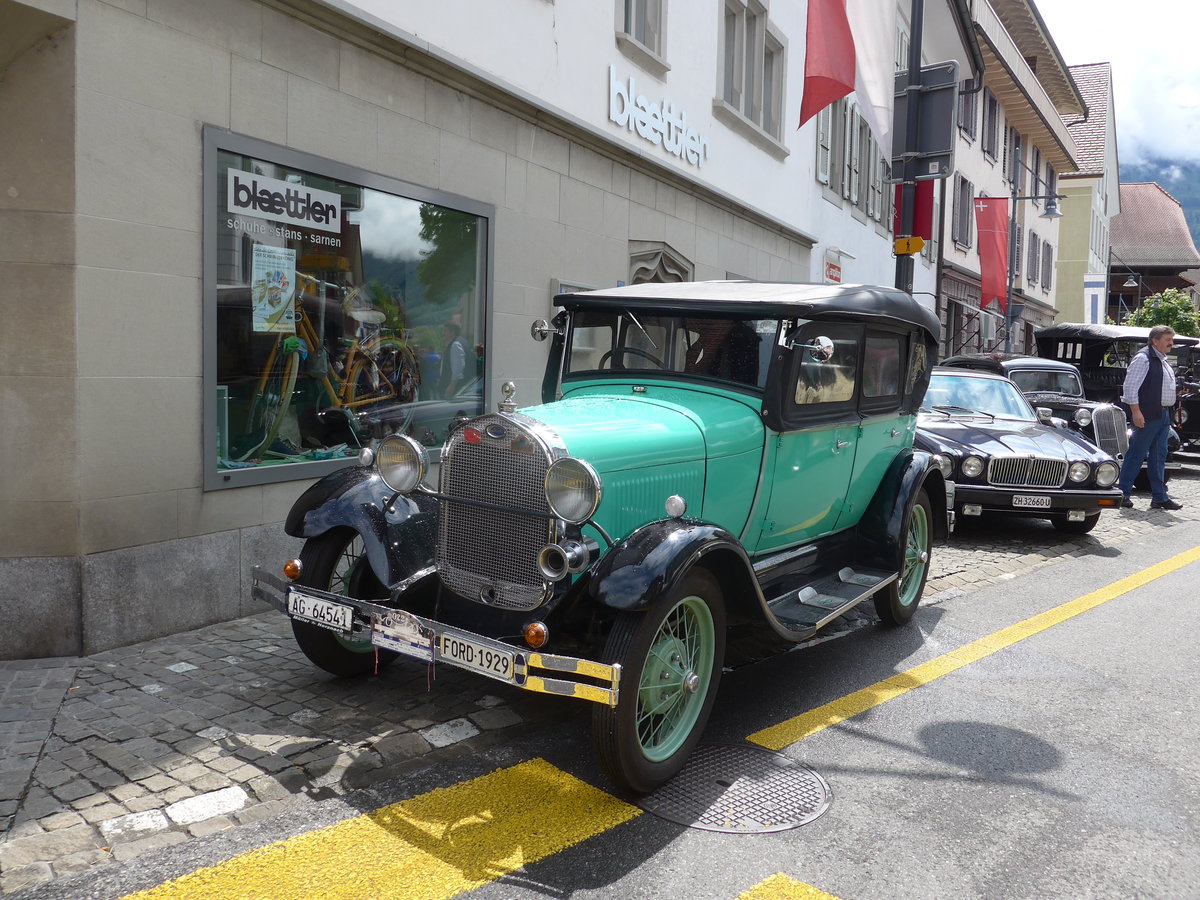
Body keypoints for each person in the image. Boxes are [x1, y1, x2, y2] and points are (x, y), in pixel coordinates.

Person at [1117, 324, 1183, 510]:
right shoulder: (1143, 358)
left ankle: (1159, 497)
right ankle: (1123, 493)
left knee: (1159, 456)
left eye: (1171, 339)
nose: (1171, 343)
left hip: (1163, 415)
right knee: (1137, 453)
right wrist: (1136, 412)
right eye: (1167, 340)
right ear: (1155, 341)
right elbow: (1130, 388)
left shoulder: (1162, 360)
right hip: (1148, 414)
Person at [439, 322, 469, 398]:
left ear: (452, 332)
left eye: (445, 331)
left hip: (454, 387)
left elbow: (458, 368)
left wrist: (451, 386)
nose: (443, 334)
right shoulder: (461, 341)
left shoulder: (455, 344)